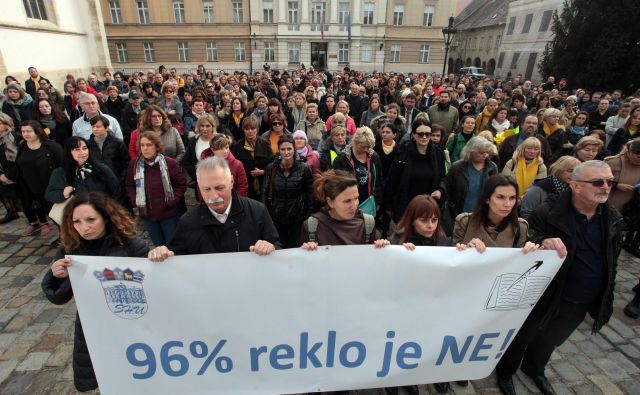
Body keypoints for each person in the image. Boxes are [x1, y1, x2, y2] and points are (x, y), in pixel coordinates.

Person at [496, 161, 623, 395]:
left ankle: (534, 368)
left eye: (609, 181)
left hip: (582, 299)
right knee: (523, 335)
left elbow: (612, 261)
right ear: (575, 185)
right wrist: (544, 239)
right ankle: (505, 371)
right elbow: (527, 239)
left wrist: (606, 295)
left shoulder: (612, 217)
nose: (606, 186)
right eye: (598, 182)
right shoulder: (549, 211)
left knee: (551, 339)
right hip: (547, 295)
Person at [41, 192, 148, 392]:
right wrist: (57, 276)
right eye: (77, 222)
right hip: (92, 327)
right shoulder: (70, 248)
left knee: (137, 374)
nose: (84, 227)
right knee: (106, 377)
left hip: (130, 324)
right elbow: (59, 297)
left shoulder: (132, 245)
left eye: (91, 219)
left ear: (106, 217)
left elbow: (153, 287)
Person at [148, 156, 280, 260]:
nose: (214, 195)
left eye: (219, 188)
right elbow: (176, 256)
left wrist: (271, 247)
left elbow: (278, 246)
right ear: (199, 186)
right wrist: (164, 254)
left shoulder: (257, 211)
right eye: (206, 189)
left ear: (232, 182)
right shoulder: (187, 222)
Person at [126, 131, 186, 246]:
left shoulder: (170, 163)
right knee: (158, 245)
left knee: (172, 245)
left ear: (157, 146)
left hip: (168, 214)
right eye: (142, 145)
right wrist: (135, 201)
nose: (145, 148)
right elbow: (129, 185)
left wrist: (171, 201)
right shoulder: (134, 164)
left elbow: (181, 185)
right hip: (147, 215)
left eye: (149, 145)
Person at [384, 119, 446, 223]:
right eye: (421, 134)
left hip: (428, 208)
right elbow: (392, 179)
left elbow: (443, 176)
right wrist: (388, 206)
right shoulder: (402, 152)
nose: (425, 137)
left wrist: (440, 190)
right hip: (405, 206)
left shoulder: (438, 154)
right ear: (413, 134)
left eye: (428, 134)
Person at [300, 170, 383, 247]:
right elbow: (306, 261)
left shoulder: (367, 224)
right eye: (347, 201)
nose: (354, 205)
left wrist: (382, 248)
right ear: (330, 202)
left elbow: (372, 259)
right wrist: (307, 251)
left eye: (356, 198)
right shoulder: (312, 226)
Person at [10, 121, 63, 236]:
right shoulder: (23, 146)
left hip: (51, 187)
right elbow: (19, 165)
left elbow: (63, 165)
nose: (25, 134)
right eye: (23, 131)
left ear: (37, 131)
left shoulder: (51, 146)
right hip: (31, 188)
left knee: (58, 215)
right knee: (50, 214)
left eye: (29, 131)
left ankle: (65, 236)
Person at [262, 134, 314, 248]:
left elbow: (310, 194)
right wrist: (266, 217)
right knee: (279, 249)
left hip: (297, 219)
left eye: (289, 149)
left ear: (294, 149)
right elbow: (264, 193)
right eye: (283, 149)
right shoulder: (271, 168)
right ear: (279, 150)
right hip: (276, 218)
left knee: (295, 249)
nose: (286, 152)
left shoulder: (304, 168)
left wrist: (308, 216)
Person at [46, 136, 122, 209]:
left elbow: (116, 191)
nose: (82, 152)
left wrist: (111, 210)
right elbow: (49, 195)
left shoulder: (101, 168)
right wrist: (63, 194)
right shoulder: (60, 173)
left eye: (84, 148)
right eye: (77, 149)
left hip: (102, 212)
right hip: (78, 216)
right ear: (69, 152)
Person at [441, 136, 499, 232]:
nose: (485, 155)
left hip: (482, 215)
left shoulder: (492, 168)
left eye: (487, 152)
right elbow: (447, 186)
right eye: (481, 153)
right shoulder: (457, 167)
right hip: (459, 214)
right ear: (471, 151)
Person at [605, 138, 640, 260]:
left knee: (617, 239)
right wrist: (616, 185)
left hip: (629, 207)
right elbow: (596, 179)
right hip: (610, 203)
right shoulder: (613, 162)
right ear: (630, 152)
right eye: (638, 156)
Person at [520, 155, 581, 219]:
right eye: (570, 171)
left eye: (576, 172)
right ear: (559, 169)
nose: (573, 174)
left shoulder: (573, 189)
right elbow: (526, 215)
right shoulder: (537, 189)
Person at [232, 116, 274, 201]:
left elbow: (273, 164)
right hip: (246, 186)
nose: (250, 131)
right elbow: (234, 168)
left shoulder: (265, 144)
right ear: (243, 130)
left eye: (253, 128)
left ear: (257, 129)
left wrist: (263, 171)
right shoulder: (237, 146)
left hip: (263, 185)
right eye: (247, 129)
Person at [87, 115, 129, 188]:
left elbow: (126, 162)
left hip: (116, 181)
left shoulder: (117, 143)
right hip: (97, 183)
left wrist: (121, 179)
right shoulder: (88, 144)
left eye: (98, 127)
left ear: (106, 128)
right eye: (93, 126)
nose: (95, 129)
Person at [0, 114, 22, 224]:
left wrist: (9, 175)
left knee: (23, 196)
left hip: (16, 170)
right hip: (2, 170)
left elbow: (21, 159)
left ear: (5, 124)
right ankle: (11, 211)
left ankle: (38, 219)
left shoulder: (14, 136)